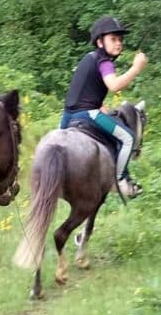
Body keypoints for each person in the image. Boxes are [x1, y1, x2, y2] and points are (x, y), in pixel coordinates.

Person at [60, 16, 148, 197]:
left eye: (120, 40)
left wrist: (98, 104)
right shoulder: (104, 61)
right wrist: (136, 69)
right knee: (129, 138)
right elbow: (114, 86)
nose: (118, 44)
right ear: (100, 42)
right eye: (113, 39)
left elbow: (84, 86)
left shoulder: (89, 58)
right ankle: (120, 180)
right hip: (86, 114)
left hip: (66, 117)